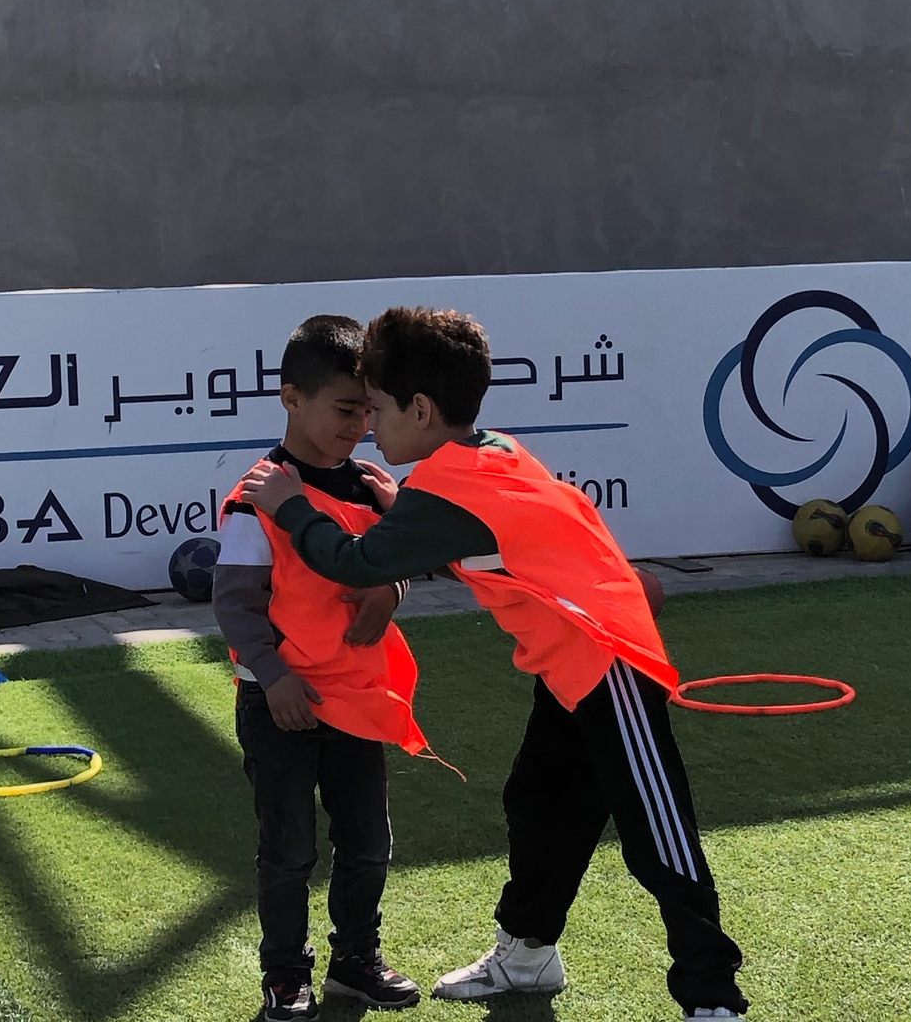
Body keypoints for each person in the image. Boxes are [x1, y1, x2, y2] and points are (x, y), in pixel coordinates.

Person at [239, 307, 750, 1021]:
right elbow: (491, 532)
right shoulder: (493, 450)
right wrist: (402, 507)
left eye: (378, 408)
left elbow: (351, 561)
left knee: (656, 832)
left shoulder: (442, 490)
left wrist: (292, 504)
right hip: (568, 667)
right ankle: (529, 954)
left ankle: (713, 998)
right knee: (538, 802)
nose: (369, 427)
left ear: (420, 409)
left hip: (610, 662)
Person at [214, 314, 425, 1021]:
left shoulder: (373, 487)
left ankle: (356, 961)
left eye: (368, 410)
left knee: (368, 843)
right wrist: (272, 676)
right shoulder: (260, 493)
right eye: (345, 408)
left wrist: (393, 590)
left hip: (356, 699)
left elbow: (396, 564)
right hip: (280, 703)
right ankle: (284, 976)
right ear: (291, 398)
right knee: (289, 851)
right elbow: (236, 604)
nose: (360, 425)